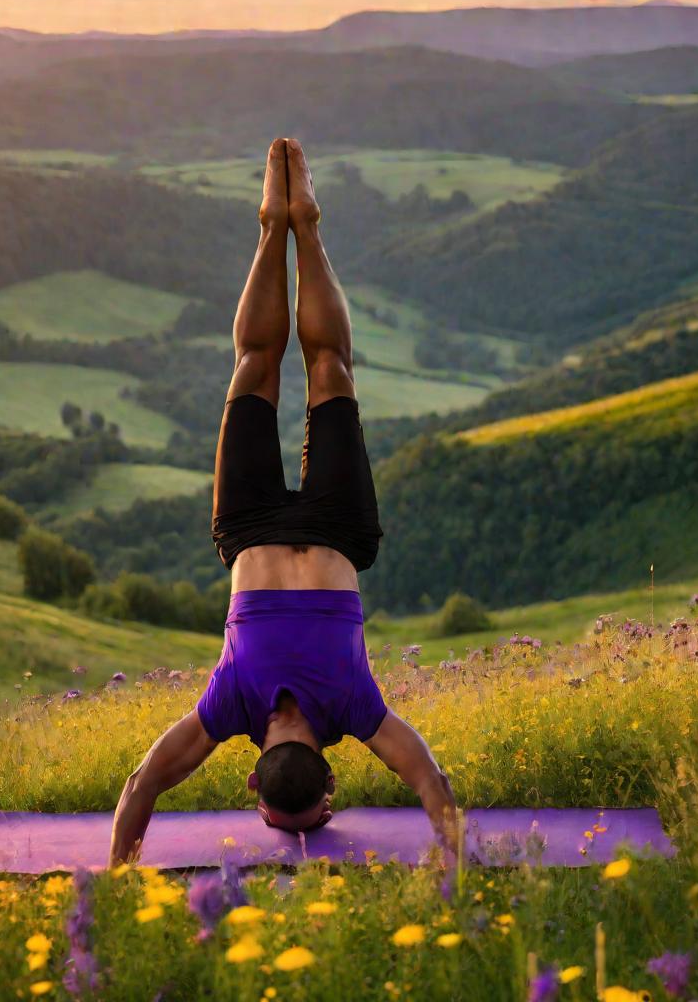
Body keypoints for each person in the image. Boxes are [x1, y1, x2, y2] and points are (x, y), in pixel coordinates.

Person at [109, 138, 454, 864]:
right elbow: (141, 786)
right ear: (250, 775)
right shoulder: (227, 704)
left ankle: (307, 226)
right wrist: (112, 874)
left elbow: (431, 781)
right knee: (254, 366)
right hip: (249, 532)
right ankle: (274, 225)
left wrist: (458, 867)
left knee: (330, 367)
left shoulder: (356, 708)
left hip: (336, 532)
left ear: (330, 779)